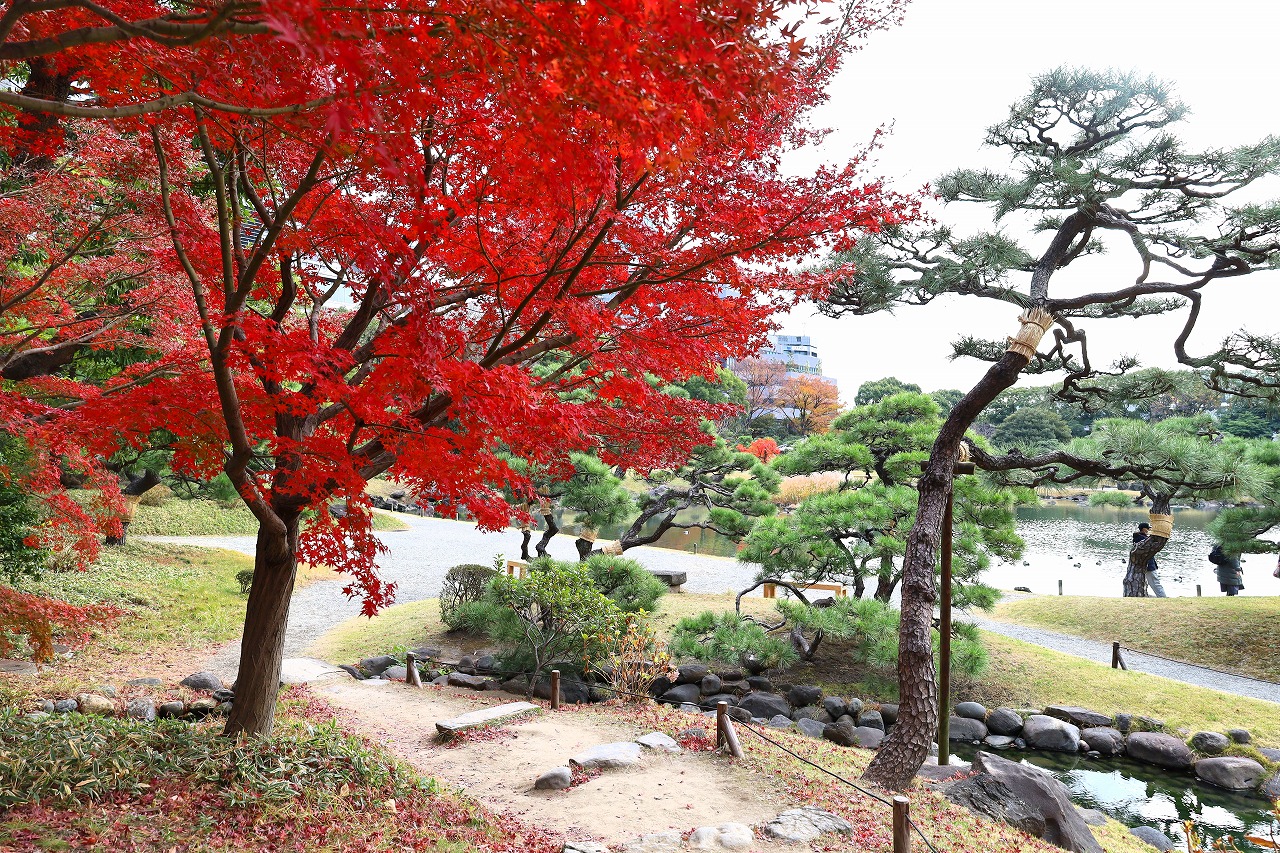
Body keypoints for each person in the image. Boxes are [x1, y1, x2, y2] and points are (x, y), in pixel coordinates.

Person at [1131, 522, 1168, 597]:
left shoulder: (1138, 538)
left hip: (1142, 564)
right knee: (1155, 582)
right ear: (1144, 529)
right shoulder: (1143, 539)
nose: (1149, 530)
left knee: (1146, 582)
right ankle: (1163, 597)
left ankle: (1145, 595)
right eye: (1148, 528)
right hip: (1148, 565)